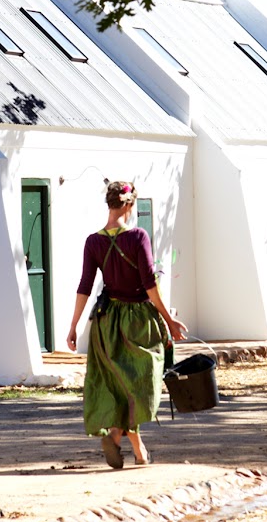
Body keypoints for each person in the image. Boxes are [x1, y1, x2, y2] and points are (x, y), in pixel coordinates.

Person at [67, 180, 188, 469]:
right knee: (141, 382)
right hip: (137, 321)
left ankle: (138, 450)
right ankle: (117, 435)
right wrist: (168, 319)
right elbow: (149, 284)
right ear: (129, 205)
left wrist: (73, 326)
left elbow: (85, 285)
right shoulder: (137, 236)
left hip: (106, 323)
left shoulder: (93, 242)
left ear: (109, 204)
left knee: (120, 386)